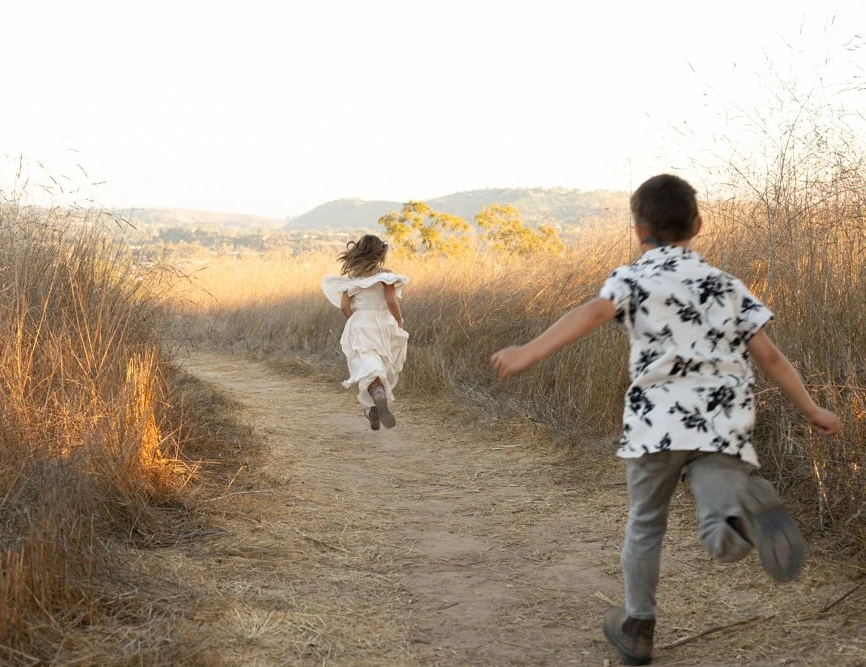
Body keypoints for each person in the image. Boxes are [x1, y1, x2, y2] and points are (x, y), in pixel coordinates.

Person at [490, 174, 840, 666]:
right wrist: (813, 408)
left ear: (638, 230)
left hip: (656, 423)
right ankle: (743, 520)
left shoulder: (632, 279)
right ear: (698, 224)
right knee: (720, 536)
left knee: (646, 524)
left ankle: (638, 628)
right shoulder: (727, 286)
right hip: (722, 423)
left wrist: (528, 352)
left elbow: (592, 312)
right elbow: (772, 358)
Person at [322, 234, 409, 430]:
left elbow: (345, 307)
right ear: (380, 254)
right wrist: (398, 319)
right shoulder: (386, 276)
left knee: (367, 366)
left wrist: (355, 320)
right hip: (384, 323)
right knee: (384, 363)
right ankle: (377, 401)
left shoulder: (351, 281)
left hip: (361, 324)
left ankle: (376, 397)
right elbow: (391, 301)